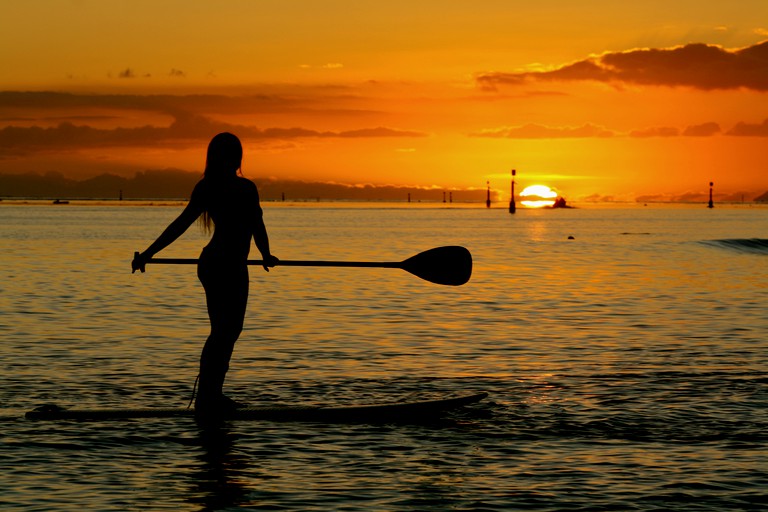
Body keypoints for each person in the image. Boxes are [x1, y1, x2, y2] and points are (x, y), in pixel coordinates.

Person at [132, 132, 279, 413]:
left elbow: (256, 225)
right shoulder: (236, 188)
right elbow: (182, 224)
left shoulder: (219, 187)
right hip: (222, 266)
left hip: (221, 265)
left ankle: (211, 394)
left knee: (226, 331)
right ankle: (209, 396)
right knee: (225, 331)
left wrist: (265, 254)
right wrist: (149, 253)